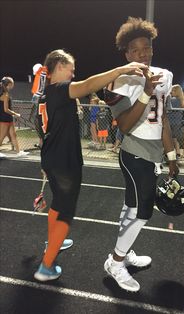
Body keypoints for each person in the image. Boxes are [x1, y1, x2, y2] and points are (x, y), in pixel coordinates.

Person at [33, 48, 147, 282]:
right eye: (71, 69)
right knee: (65, 213)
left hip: (52, 156)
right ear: (59, 66)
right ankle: (46, 266)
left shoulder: (45, 93)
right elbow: (87, 85)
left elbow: (42, 127)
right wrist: (121, 69)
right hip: (65, 162)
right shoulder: (60, 88)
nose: (73, 74)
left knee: (57, 205)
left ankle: (52, 242)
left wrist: (46, 160)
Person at [103, 17, 179, 292]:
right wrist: (145, 93)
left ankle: (125, 251)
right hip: (134, 152)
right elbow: (123, 125)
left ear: (152, 48)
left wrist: (171, 155)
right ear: (126, 54)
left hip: (154, 153)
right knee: (141, 211)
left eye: (145, 47)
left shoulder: (165, 75)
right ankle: (116, 261)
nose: (141, 54)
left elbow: (164, 119)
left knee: (131, 207)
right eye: (134, 50)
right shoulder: (120, 79)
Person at [0, 77, 29, 158]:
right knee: (1, 137)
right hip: (4, 119)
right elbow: (6, 109)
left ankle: (18, 152)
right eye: (12, 83)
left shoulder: (5, 93)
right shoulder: (5, 94)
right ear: (9, 85)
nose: (13, 85)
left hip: (8, 119)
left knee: (13, 135)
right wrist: (15, 114)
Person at [167, 84, 184, 159]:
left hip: (171, 122)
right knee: (174, 138)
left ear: (176, 92)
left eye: (172, 91)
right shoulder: (181, 100)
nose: (171, 92)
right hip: (177, 122)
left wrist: (167, 96)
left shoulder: (173, 100)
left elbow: (168, 106)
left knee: (169, 138)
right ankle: (178, 153)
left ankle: (169, 154)